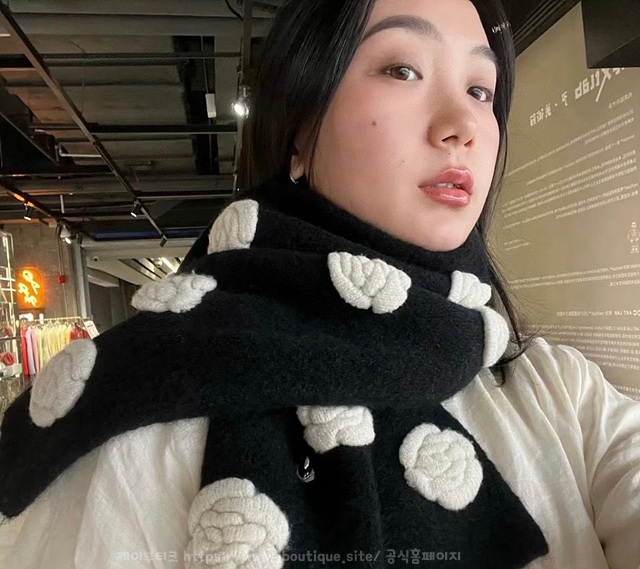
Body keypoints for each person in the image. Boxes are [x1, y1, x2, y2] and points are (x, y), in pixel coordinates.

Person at [1, 0, 639, 567]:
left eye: (480, 89)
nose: (463, 125)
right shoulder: (136, 415)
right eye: (402, 70)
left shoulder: (559, 391)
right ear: (301, 131)